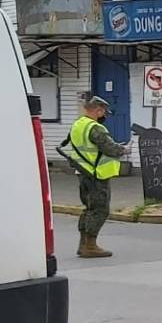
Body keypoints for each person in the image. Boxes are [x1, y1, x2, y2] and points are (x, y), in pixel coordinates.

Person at [66, 97, 128, 258]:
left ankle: (83, 244)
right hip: (96, 174)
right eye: (103, 113)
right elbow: (109, 148)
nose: (104, 116)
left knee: (89, 208)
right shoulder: (95, 128)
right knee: (100, 209)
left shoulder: (78, 124)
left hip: (83, 172)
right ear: (98, 110)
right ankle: (90, 246)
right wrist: (123, 150)